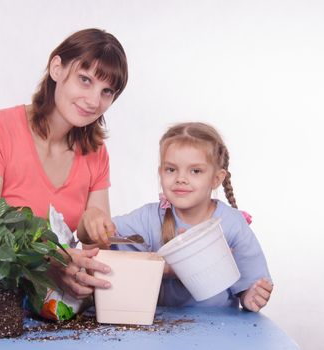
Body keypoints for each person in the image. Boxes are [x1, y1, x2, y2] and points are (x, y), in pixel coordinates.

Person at [0, 28, 128, 299]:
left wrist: (91, 222)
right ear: (57, 68)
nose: (94, 101)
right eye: (85, 80)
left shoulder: (96, 152)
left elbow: (93, 249)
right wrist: (51, 262)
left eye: (107, 91)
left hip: (47, 307)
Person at [77, 122, 273, 311]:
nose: (181, 178)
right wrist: (90, 221)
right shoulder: (149, 218)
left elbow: (251, 284)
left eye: (195, 171)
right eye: (171, 169)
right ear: (160, 172)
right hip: (160, 329)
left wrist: (250, 296)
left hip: (219, 329)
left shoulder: (232, 224)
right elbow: (97, 240)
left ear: (216, 178)